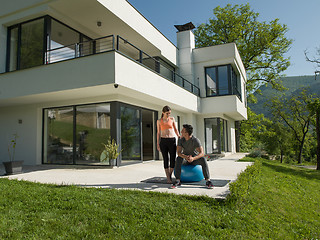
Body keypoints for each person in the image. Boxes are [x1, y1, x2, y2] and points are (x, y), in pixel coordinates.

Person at [172, 124, 214, 189]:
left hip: (194, 159)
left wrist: (193, 158)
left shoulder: (195, 140)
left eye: (182, 130)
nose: (181, 132)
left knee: (203, 159)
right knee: (178, 159)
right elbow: (179, 152)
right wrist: (186, 157)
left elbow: (202, 153)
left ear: (186, 133)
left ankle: (208, 181)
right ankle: (177, 181)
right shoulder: (180, 139)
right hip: (185, 159)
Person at [157, 106, 180, 183]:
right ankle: (168, 178)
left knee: (173, 159)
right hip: (163, 141)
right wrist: (157, 144)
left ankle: (169, 174)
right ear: (163, 112)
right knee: (166, 159)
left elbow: (176, 130)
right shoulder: (159, 121)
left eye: (169, 113)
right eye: (167, 113)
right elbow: (158, 133)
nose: (168, 115)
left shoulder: (172, 119)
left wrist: (179, 136)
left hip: (172, 140)